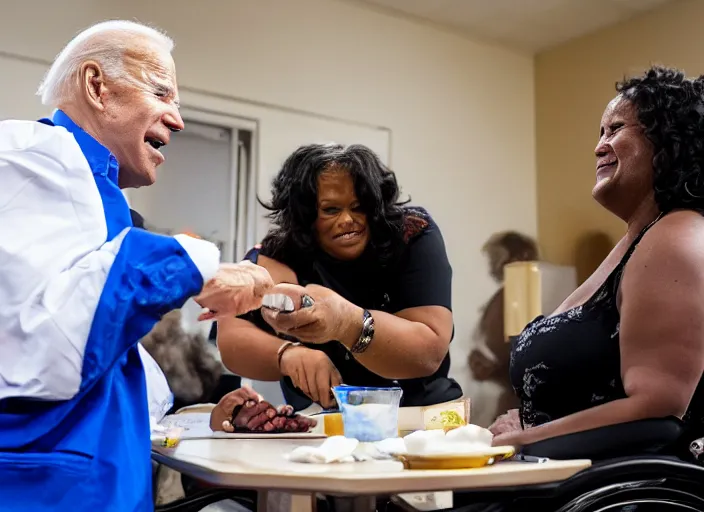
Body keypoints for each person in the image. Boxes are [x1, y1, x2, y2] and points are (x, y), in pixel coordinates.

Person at [0, 21, 273, 511]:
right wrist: (200, 265)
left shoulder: (98, 195)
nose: (177, 120)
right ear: (96, 86)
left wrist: (204, 419)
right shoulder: (26, 159)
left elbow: (103, 374)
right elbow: (51, 342)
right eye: (161, 91)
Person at [490, 66, 704, 456]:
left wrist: (520, 441)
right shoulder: (637, 241)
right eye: (600, 133)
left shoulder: (675, 236)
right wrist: (533, 423)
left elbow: (657, 408)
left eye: (616, 129)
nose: (599, 146)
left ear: (667, 139)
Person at [217, 143, 463, 411]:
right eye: (331, 210)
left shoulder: (411, 234)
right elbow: (232, 337)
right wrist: (287, 355)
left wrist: (347, 322)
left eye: (359, 207)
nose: (348, 219)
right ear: (305, 214)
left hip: (422, 415)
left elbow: (428, 352)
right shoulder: (279, 253)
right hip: (328, 421)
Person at [468, 231, 538, 426]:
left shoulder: (520, 291)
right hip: (493, 390)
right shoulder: (506, 294)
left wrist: (491, 367)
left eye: (495, 258)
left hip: (506, 393)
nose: (491, 265)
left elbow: (520, 346)